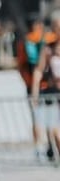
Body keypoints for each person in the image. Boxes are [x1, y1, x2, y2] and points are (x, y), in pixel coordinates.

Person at [21, 14, 58, 162]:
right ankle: (49, 146)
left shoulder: (28, 40)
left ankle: (42, 146)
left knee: (41, 119)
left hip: (36, 85)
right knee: (51, 120)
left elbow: (23, 64)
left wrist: (29, 83)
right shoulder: (49, 39)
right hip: (48, 85)